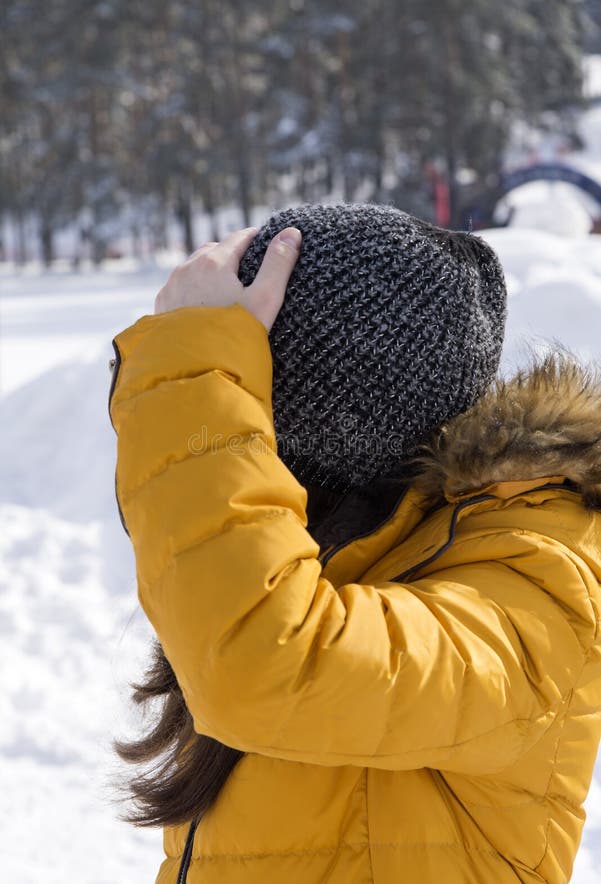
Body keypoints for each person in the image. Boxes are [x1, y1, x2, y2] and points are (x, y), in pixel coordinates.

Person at [109, 203, 601, 884]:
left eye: (245, 374)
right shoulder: (328, 551)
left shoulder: (536, 580)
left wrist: (194, 371)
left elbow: (268, 665)